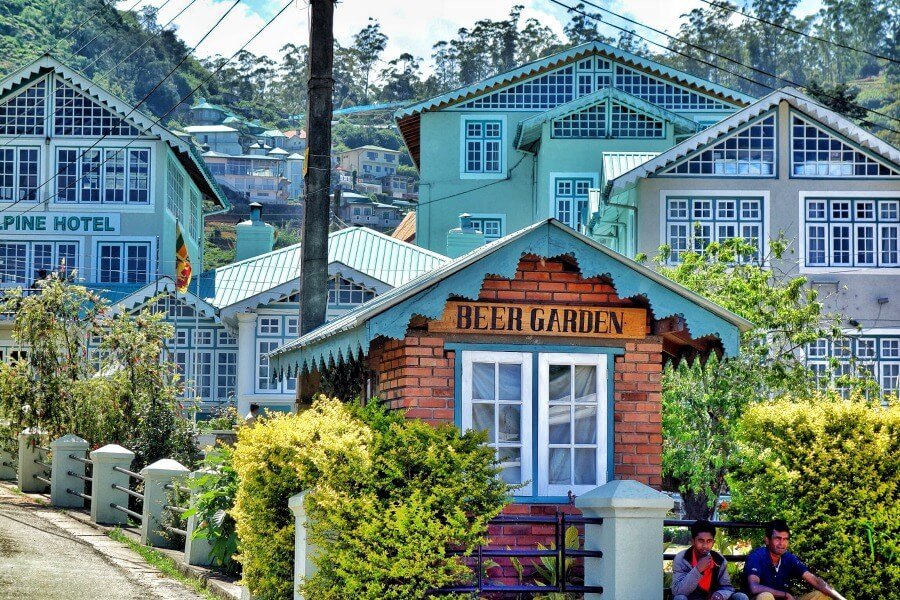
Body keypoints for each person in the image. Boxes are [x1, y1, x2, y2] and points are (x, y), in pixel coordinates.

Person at [744, 520, 846, 600]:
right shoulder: (757, 556)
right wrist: (785, 595)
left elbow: (816, 581)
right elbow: (754, 588)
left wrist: (841, 599)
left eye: (785, 539)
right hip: (761, 598)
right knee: (765, 596)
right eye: (777, 538)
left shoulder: (788, 558)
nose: (781, 543)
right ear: (767, 540)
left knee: (820, 595)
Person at [672, 520, 748, 600]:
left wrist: (721, 594)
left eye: (709, 541)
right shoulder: (682, 559)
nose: (705, 545)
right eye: (701, 541)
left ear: (713, 542)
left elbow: (728, 588)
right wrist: (698, 570)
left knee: (741, 597)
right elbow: (677, 591)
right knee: (679, 598)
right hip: (691, 598)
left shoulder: (719, 560)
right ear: (693, 541)